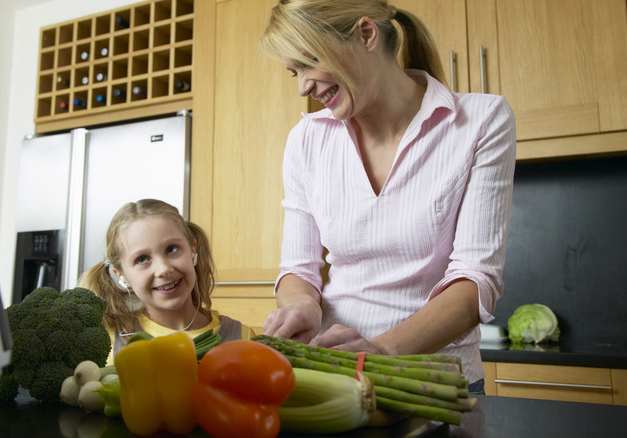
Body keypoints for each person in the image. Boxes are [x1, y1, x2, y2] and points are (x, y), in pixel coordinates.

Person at [259, 0, 516, 392]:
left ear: (366, 34)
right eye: (293, 71)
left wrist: (381, 351)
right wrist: (302, 306)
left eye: (310, 62)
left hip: (435, 384)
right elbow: (298, 268)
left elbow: (473, 280)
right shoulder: (306, 139)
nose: (302, 87)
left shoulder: (480, 121)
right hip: (337, 377)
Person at [79, 199, 255, 364]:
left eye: (172, 249)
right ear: (121, 275)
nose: (163, 269)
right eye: (142, 259)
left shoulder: (242, 336)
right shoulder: (106, 345)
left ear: (193, 251)